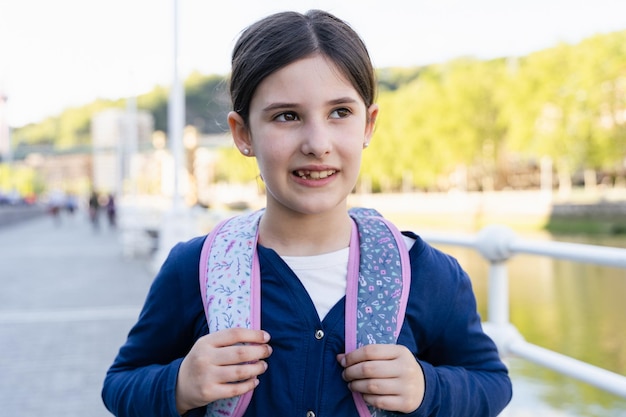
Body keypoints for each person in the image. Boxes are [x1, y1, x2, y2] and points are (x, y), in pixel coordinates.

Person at [102, 9, 512, 417]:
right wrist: (179, 385)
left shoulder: (428, 275)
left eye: (340, 113)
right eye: (287, 116)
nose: (318, 143)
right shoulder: (193, 268)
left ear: (368, 125)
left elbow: (491, 383)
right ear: (243, 134)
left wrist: (429, 387)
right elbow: (120, 384)